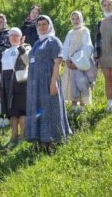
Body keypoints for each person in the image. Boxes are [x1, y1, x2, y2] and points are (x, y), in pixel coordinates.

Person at [25, 15, 72, 151]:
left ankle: (52, 140)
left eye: (44, 24)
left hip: (48, 80)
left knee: (50, 108)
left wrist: (53, 82)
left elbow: (57, 64)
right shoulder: (37, 43)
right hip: (35, 82)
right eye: (39, 25)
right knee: (38, 109)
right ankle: (41, 139)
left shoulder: (54, 41)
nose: (42, 27)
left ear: (49, 25)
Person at [0, 28, 29, 148]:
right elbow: (2, 70)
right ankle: (14, 136)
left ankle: (23, 136)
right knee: (11, 112)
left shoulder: (26, 47)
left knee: (21, 110)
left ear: (20, 37)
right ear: (9, 37)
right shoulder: (5, 52)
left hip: (20, 82)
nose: (14, 37)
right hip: (6, 82)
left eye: (16, 35)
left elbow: (27, 61)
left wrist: (21, 48)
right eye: (12, 35)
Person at [62, 11, 97, 115]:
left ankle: (81, 107)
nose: (75, 21)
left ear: (81, 19)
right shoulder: (70, 32)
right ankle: (73, 107)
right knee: (72, 84)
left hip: (81, 62)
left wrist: (78, 61)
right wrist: (67, 60)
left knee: (82, 83)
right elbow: (66, 47)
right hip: (70, 63)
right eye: (73, 19)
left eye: (77, 18)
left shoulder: (85, 31)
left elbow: (87, 46)